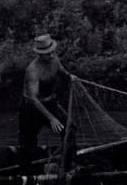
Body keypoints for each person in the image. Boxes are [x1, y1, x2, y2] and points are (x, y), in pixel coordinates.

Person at [18, 34, 80, 176]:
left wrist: (70, 77)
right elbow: (33, 99)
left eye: (52, 51)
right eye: (48, 53)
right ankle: (28, 174)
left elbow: (62, 72)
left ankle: (67, 167)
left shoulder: (54, 59)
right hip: (31, 108)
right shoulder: (32, 70)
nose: (51, 55)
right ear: (40, 54)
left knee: (70, 128)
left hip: (50, 102)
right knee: (28, 142)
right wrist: (51, 118)